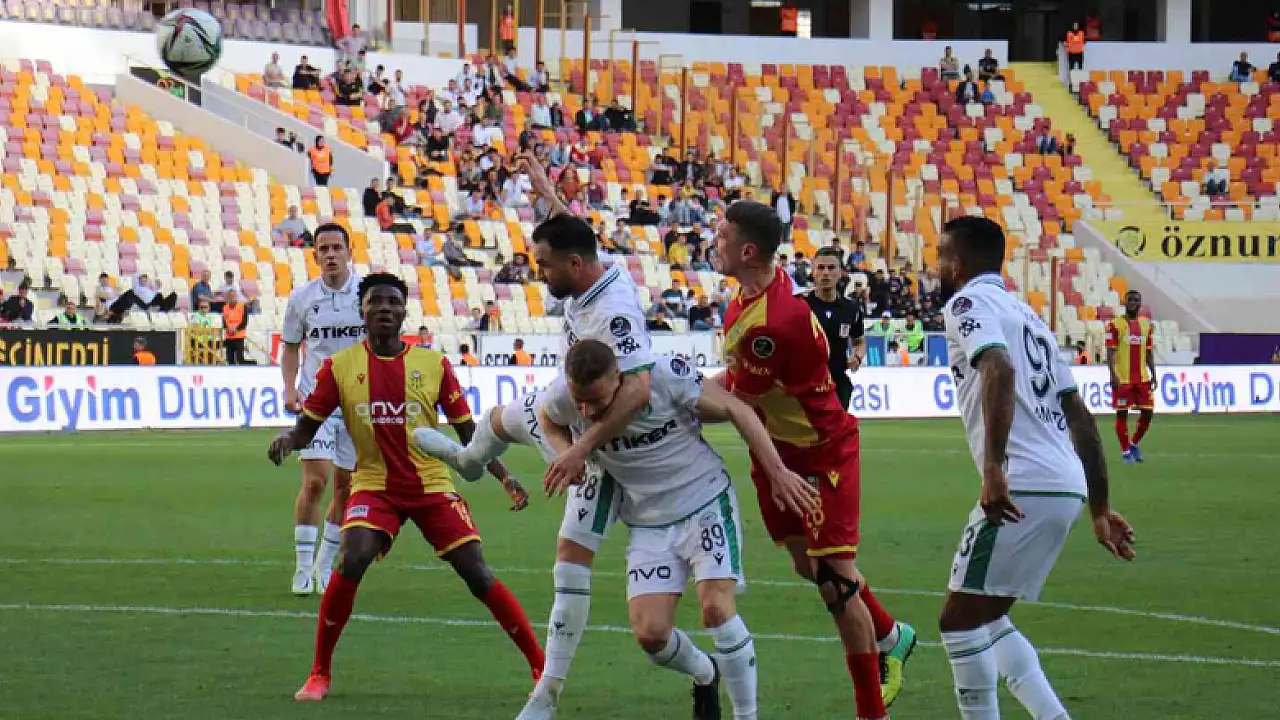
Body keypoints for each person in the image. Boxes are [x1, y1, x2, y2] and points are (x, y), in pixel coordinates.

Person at [413, 153, 658, 720]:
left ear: (573, 264)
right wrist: (547, 194)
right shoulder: (589, 270)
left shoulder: (614, 314)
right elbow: (572, 233)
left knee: (569, 561)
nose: (539, 273)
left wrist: (581, 449)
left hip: (596, 441)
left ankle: (546, 694)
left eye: (544, 265)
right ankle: (469, 462)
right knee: (495, 423)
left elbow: (638, 391)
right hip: (559, 406)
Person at [268, 272, 539, 702]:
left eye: (393, 302)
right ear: (362, 310)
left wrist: (504, 477)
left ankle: (540, 667)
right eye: (375, 302)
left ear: (404, 311)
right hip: (374, 485)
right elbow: (306, 428)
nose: (384, 309)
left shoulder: (434, 365)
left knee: (476, 571)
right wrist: (288, 439)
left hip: (430, 483)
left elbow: (469, 433)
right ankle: (319, 673)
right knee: (352, 558)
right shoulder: (338, 368)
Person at [533, 341, 819, 720]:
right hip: (647, 523)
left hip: (704, 501)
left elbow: (736, 408)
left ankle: (746, 716)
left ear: (619, 377)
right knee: (651, 635)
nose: (585, 411)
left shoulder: (666, 375)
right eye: (579, 402)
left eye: (596, 401)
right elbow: (548, 417)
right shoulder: (563, 396)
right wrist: (566, 451)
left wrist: (777, 472)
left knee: (716, 609)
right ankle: (705, 671)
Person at [712, 201, 915, 718]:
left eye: (722, 236)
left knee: (836, 582)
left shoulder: (772, 323)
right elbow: (735, 384)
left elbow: (736, 402)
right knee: (807, 563)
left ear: (747, 251)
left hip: (821, 453)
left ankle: (871, 711)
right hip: (779, 448)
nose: (714, 242)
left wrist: (664, 399)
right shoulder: (749, 300)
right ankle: (892, 635)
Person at [934, 214, 1135, 720]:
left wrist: (994, 469)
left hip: (1023, 482)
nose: (936, 266)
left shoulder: (967, 304)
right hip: (1064, 483)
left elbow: (997, 366)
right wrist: (1100, 507)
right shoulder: (1030, 318)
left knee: (958, 622)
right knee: (987, 614)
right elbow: (1079, 414)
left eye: (940, 256)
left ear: (958, 263)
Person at [278, 224, 364, 596]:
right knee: (315, 482)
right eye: (323, 249)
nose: (330, 255)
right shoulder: (302, 298)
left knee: (347, 486)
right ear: (315, 255)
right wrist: (289, 388)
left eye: (336, 248)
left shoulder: (367, 293)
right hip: (317, 402)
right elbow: (290, 347)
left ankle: (324, 564)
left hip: (358, 402)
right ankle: (302, 567)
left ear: (349, 251)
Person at [804, 247, 865, 411]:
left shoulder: (851, 309)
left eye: (831, 268)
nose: (826, 273)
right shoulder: (801, 306)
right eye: (821, 268)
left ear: (840, 273)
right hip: (806, 384)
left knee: (838, 428)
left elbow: (859, 341)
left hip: (838, 384)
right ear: (813, 272)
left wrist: (857, 357)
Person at [1106, 290, 1157, 464]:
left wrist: (1154, 373)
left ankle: (1134, 443)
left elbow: (1148, 352)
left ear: (1140, 304)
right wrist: (1112, 375)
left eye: (1137, 300)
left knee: (1148, 412)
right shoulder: (1115, 325)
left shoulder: (1146, 326)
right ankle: (1125, 451)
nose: (1134, 303)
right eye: (1130, 300)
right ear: (1125, 302)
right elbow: (1110, 352)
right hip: (1123, 379)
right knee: (1122, 414)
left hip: (1142, 379)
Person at [221, 286, 248, 365]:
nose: (232, 298)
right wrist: (228, 329)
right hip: (229, 336)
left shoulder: (242, 306)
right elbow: (224, 321)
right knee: (230, 359)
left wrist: (236, 329)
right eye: (230, 296)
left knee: (240, 358)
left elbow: (245, 321)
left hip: (239, 335)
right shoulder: (225, 307)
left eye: (233, 296)